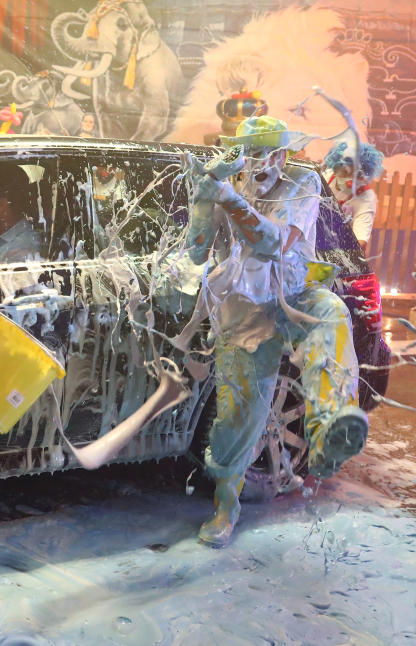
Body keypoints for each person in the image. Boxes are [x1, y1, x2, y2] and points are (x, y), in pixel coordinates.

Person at [183, 116, 368, 548]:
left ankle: (328, 429)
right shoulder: (232, 180)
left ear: (284, 156)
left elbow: (274, 242)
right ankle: (226, 508)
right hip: (245, 308)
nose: (258, 164)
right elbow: (195, 251)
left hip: (295, 293)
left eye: (268, 153)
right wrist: (203, 199)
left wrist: (227, 197)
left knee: (331, 313)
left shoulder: (302, 182)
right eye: (250, 153)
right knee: (237, 416)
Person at [321, 140, 383, 254]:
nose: (350, 180)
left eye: (357, 175)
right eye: (345, 172)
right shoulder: (324, 179)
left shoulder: (366, 198)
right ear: (335, 168)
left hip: (340, 249)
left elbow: (360, 239)